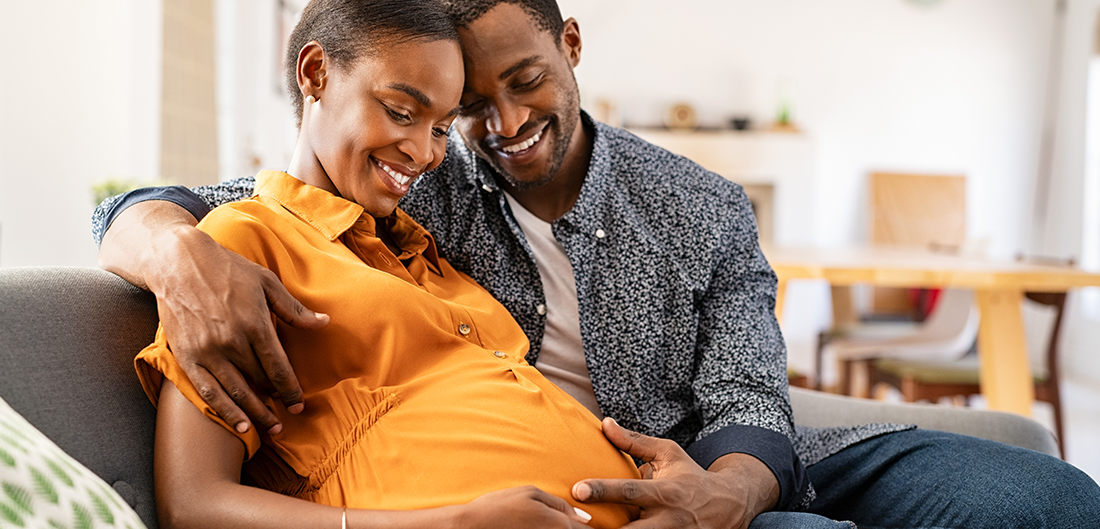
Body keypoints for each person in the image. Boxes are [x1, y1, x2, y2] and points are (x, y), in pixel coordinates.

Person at [94, 0, 1100, 527]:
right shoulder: (417, 183)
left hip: (734, 463)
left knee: (1051, 501)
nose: (502, 124)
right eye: (463, 108)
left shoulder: (699, 204)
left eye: (526, 81)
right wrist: (177, 254)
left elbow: (749, 389)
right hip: (594, 489)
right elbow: (193, 206)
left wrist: (729, 491)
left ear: (571, 46)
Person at [137, 1, 641, 528]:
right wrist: (455, 524)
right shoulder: (238, 246)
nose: (424, 153)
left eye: (442, 129)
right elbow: (190, 505)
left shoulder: (426, 255)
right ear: (316, 73)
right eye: (401, 112)